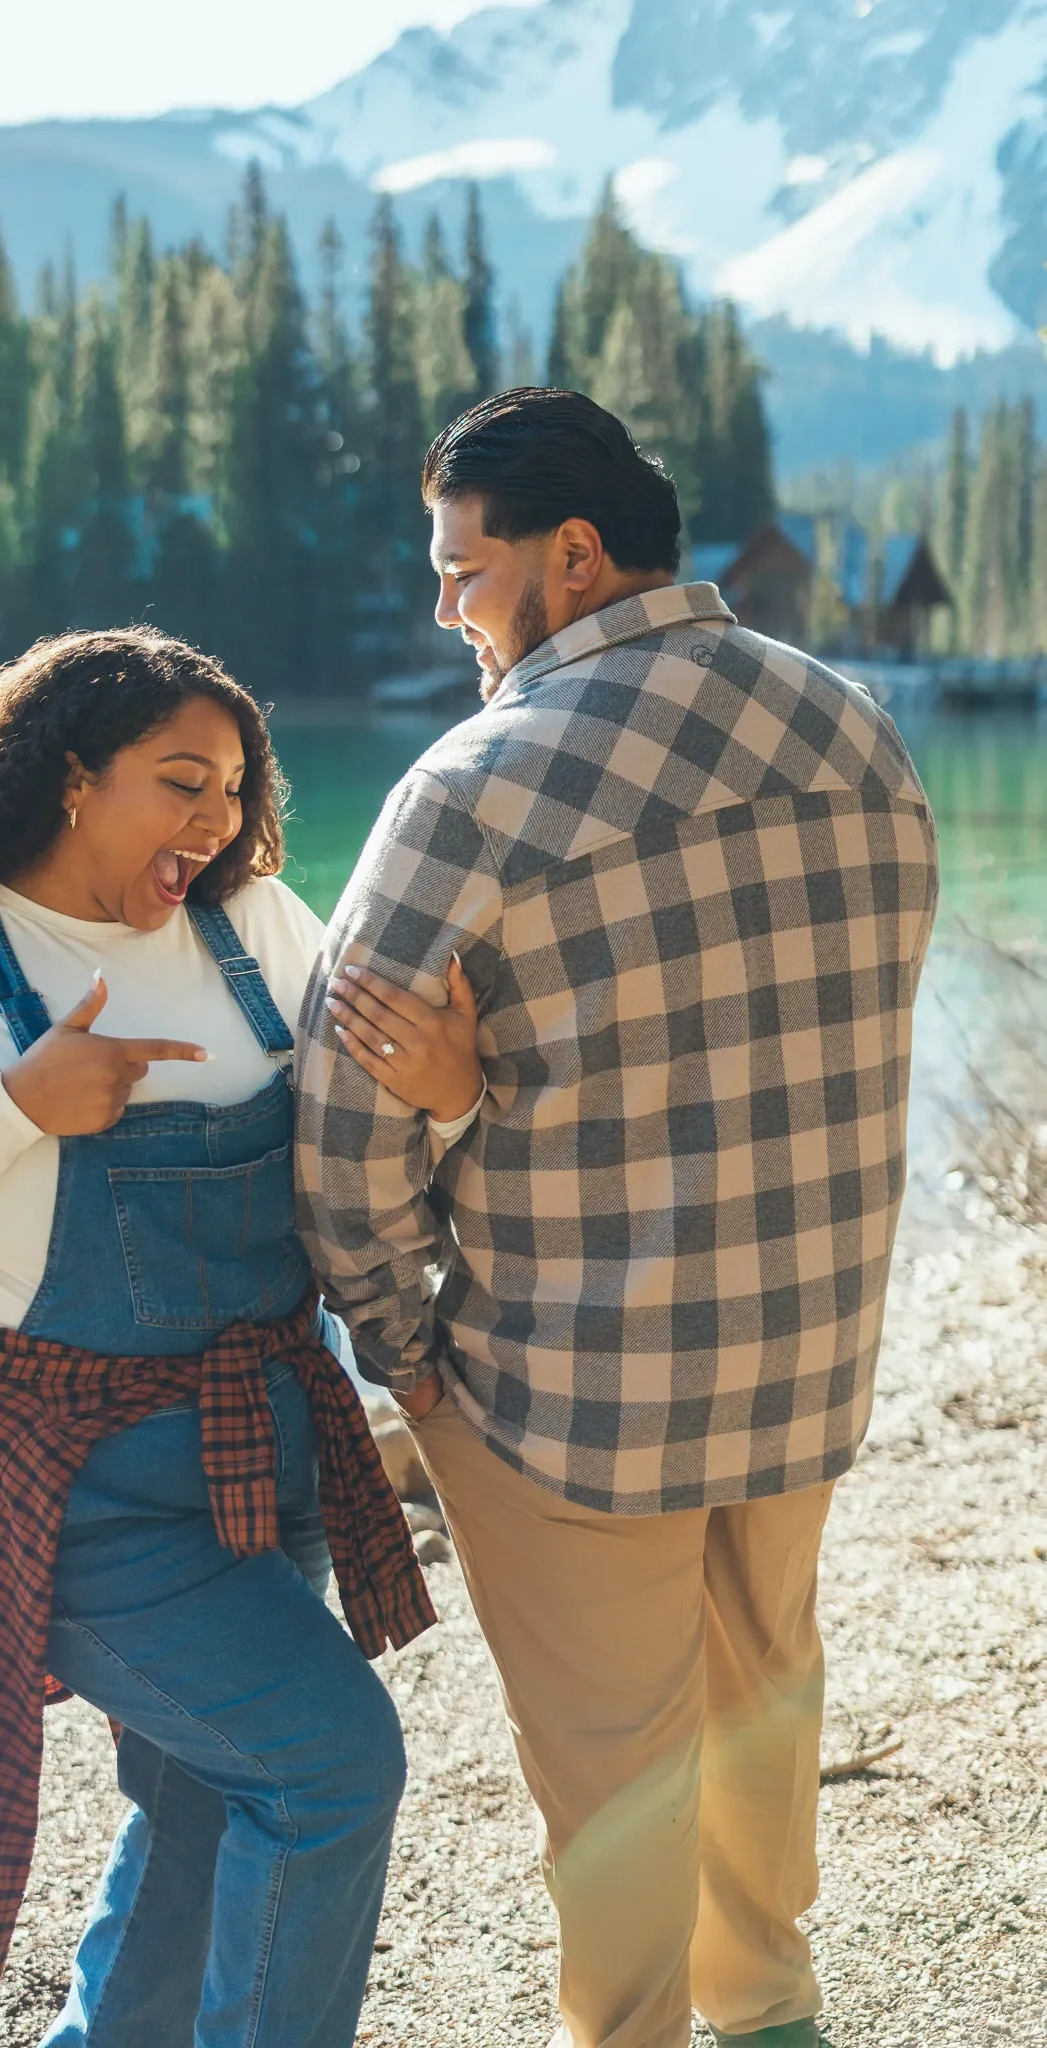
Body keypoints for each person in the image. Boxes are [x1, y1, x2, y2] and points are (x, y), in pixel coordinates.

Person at [298, 388, 940, 2048]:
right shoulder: (854, 729)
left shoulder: (476, 785)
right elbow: (799, 1039)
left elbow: (341, 1107)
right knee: (758, 1698)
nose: (446, 606)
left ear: (572, 559)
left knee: (612, 1774)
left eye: (463, 569)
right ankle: (770, 2008)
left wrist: (396, 1339)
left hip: (568, 1383)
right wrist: (501, 1081)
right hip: (803, 1355)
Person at [0, 627, 485, 2048]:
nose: (216, 822)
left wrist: (452, 1087)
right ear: (73, 776)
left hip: (254, 1457)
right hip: (69, 1497)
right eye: (180, 782)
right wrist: (17, 1105)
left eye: (232, 787)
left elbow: (373, 1143)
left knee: (208, 1790)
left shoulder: (260, 929)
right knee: (333, 1767)